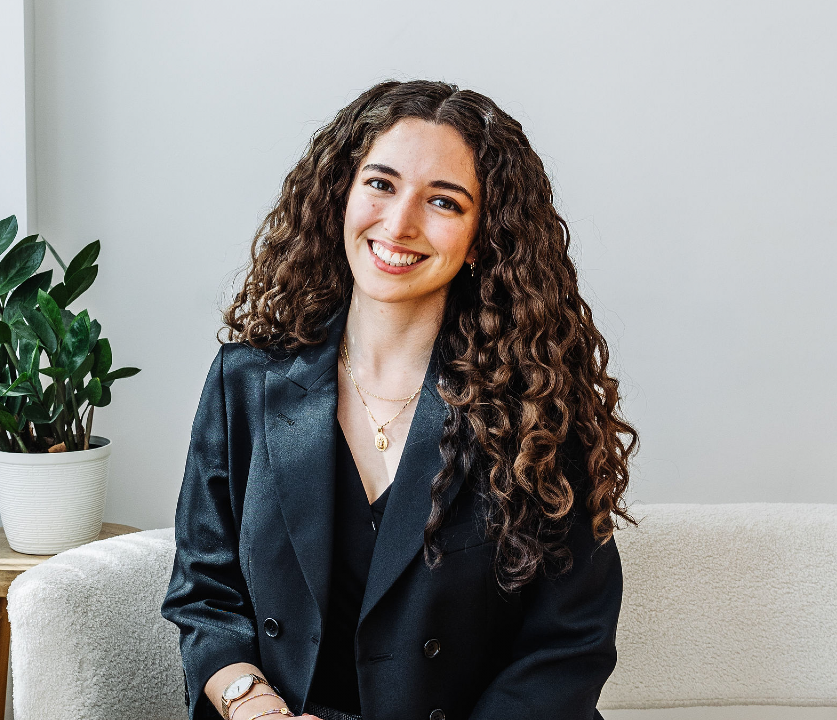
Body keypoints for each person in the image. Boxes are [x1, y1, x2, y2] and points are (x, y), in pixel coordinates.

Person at [161, 79, 638, 720]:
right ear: (342, 194)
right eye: (381, 184)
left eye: (443, 201)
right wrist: (257, 709)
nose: (399, 223)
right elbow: (205, 593)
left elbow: (568, 643)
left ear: (482, 237)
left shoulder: (539, 412)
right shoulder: (244, 380)